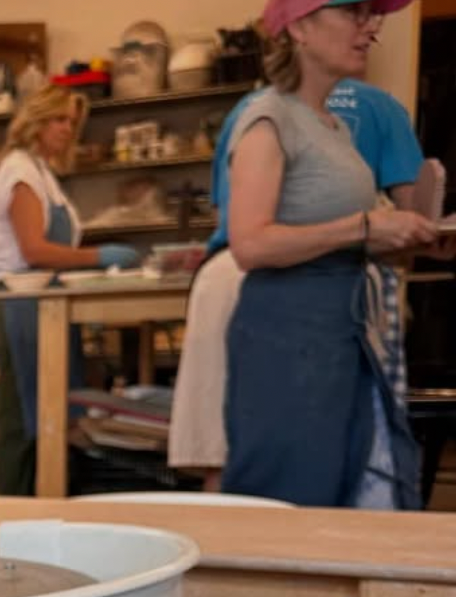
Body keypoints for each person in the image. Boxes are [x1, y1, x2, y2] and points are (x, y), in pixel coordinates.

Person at [222, 0, 440, 507]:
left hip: (341, 329)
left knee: (342, 495)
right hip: (289, 335)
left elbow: (350, 232)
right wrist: (364, 227)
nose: (371, 28)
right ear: (299, 27)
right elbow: (249, 244)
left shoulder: (333, 127)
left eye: (373, 15)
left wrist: (407, 234)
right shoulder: (268, 118)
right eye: (353, 13)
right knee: (290, 501)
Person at [169, 76, 426, 487]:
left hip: (230, 279)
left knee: (227, 452)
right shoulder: (377, 108)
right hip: (305, 284)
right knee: (312, 454)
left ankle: (233, 521)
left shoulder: (249, 110)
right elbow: (412, 213)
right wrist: (393, 229)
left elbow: (228, 217)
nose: (368, 39)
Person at [0, 86, 138, 494]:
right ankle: (13, 508)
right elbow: (34, 249)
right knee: (24, 417)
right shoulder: (20, 171)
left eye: (72, 122)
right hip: (18, 303)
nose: (68, 129)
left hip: (43, 301)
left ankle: (47, 499)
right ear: (36, 122)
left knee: (51, 411)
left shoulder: (42, 172)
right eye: (59, 120)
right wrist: (99, 256)